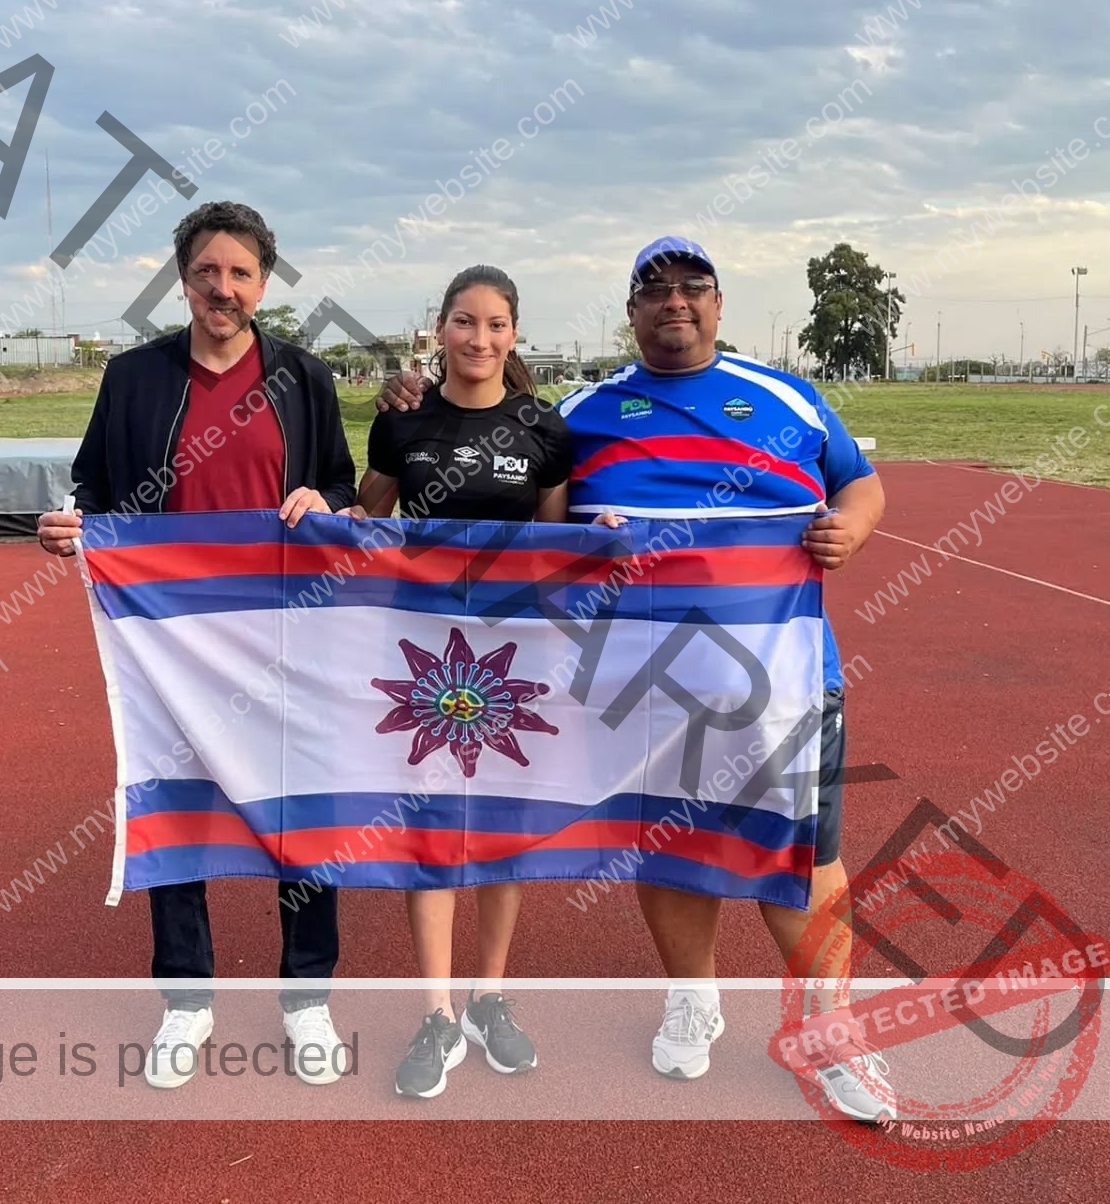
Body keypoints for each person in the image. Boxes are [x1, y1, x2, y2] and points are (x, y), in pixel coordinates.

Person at [378, 237, 891, 1120]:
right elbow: (504, 478)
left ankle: (833, 1033)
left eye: (693, 287)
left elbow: (862, 485)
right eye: (655, 290)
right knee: (671, 842)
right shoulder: (581, 412)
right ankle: (693, 1001)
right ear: (632, 312)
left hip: (782, 679)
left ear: (719, 303)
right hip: (641, 684)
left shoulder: (787, 397)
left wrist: (852, 526)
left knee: (806, 859)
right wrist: (417, 398)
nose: (675, 302)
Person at [37, 200, 357, 1090]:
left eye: (242, 273)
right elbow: (93, 486)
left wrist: (326, 503)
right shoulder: (134, 377)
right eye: (208, 272)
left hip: (291, 633)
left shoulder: (303, 377)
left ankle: (307, 999)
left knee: (302, 809)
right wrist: (74, 531)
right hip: (172, 643)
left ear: (263, 283)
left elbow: (334, 480)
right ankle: (187, 999)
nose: (224, 288)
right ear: (183, 279)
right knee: (175, 805)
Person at [356, 265, 572, 1100]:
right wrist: (317, 509)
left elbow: (558, 557)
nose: (479, 339)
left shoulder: (545, 430)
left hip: (514, 658)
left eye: (495, 325)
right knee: (434, 824)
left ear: (514, 335)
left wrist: (607, 539)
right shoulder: (404, 422)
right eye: (463, 322)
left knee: (504, 829)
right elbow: (365, 519)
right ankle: (438, 1011)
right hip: (422, 655)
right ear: (439, 329)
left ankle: (489, 996)